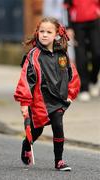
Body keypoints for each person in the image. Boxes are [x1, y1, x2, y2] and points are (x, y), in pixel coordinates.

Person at [14, 17, 80, 171]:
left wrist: (70, 95)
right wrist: (24, 103)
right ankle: (27, 144)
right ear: (37, 33)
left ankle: (59, 161)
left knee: (58, 126)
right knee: (37, 130)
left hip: (58, 100)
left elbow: (72, 75)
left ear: (56, 33)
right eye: (41, 31)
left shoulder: (62, 54)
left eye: (49, 32)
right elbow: (25, 79)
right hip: (39, 102)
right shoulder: (33, 55)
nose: (44, 35)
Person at [63, 0, 100, 102]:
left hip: (95, 22)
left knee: (97, 53)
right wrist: (68, 27)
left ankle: (93, 80)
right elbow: (66, 8)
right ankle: (84, 88)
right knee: (81, 56)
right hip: (77, 25)